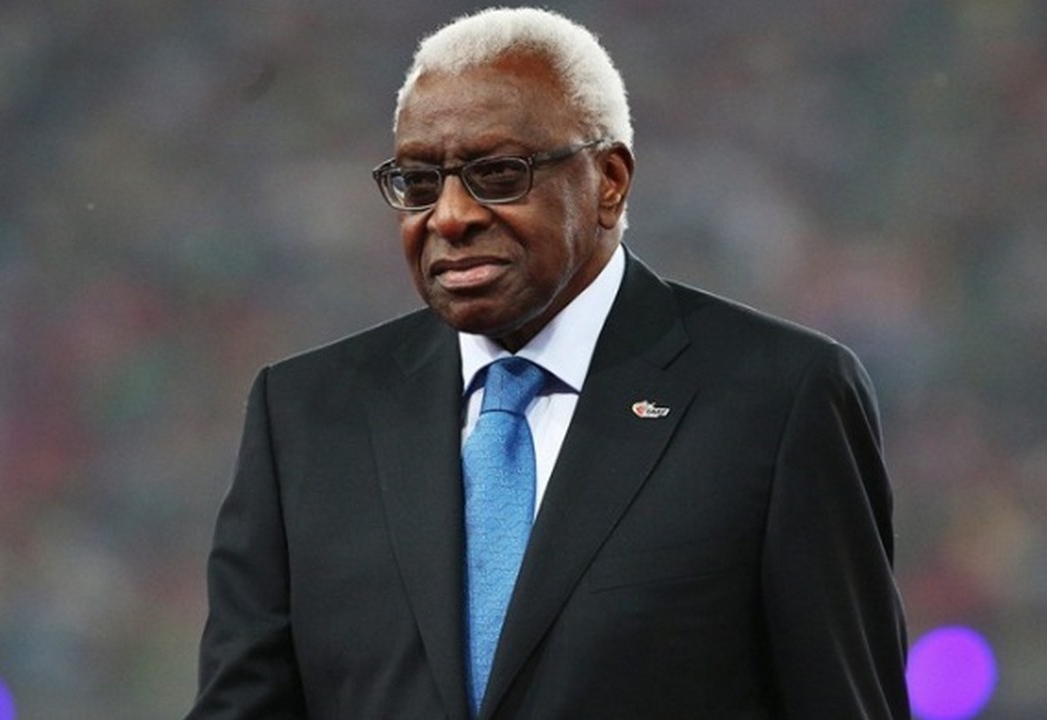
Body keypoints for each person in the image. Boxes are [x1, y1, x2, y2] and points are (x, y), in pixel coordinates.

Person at [185, 7, 910, 719]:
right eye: (419, 182)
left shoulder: (779, 398)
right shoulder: (306, 415)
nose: (450, 216)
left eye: (499, 173)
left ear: (609, 181)